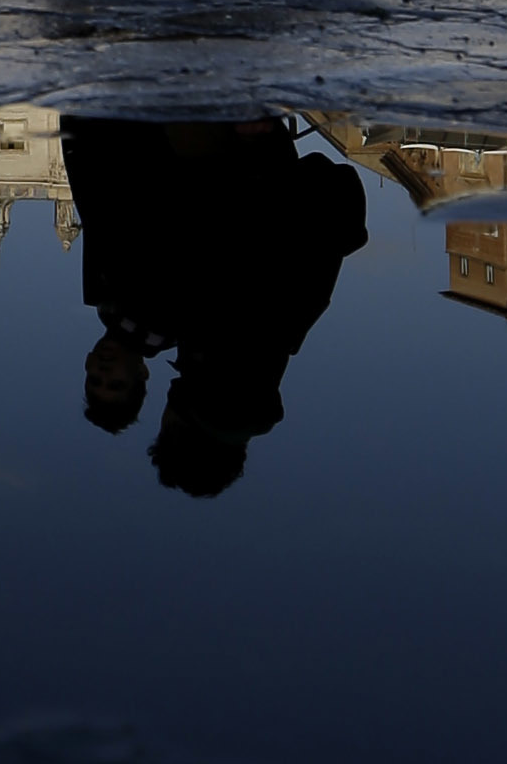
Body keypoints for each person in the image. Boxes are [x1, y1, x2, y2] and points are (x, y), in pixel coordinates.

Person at [62, 113, 368, 496]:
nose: (167, 401)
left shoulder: (254, 350)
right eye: (167, 423)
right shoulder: (224, 339)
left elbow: (339, 206)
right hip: (196, 131)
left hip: (222, 134)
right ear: (180, 428)